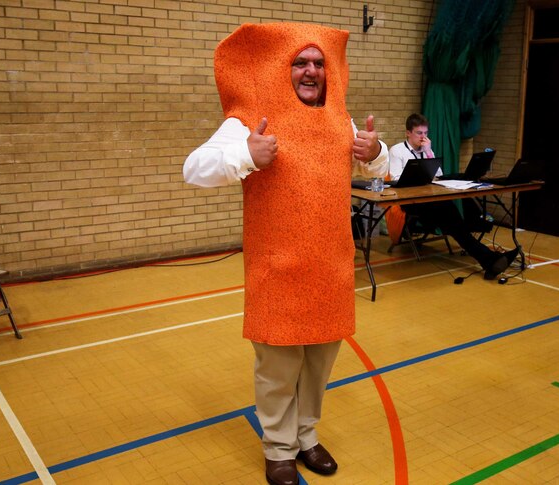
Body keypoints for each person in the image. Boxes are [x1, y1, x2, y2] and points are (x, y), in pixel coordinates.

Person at [183, 23, 388, 485]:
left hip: (331, 265)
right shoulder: (248, 117)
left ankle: (307, 439)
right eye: (300, 62)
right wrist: (245, 155)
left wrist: (375, 152)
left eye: (318, 62)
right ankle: (278, 448)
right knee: (278, 368)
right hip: (276, 267)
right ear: (285, 69)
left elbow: (384, 163)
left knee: (319, 363)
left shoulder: (342, 116)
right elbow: (193, 169)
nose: (311, 70)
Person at [388, 113, 518, 280]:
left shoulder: (427, 149)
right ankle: (489, 258)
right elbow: (396, 179)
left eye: (426, 133)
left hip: (431, 199)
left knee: (456, 215)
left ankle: (489, 259)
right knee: (453, 220)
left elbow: (439, 175)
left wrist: (428, 153)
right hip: (411, 202)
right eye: (419, 133)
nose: (423, 137)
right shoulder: (397, 150)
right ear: (408, 133)